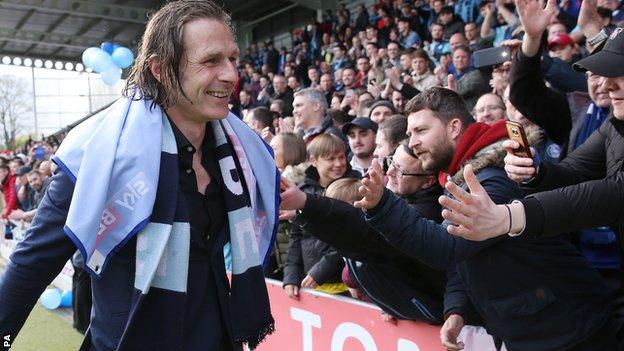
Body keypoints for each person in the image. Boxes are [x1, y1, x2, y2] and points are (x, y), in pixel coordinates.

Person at [0, 2, 279, 350]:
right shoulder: (100, 158)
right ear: (160, 69)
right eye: (211, 61)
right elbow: (31, 267)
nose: (231, 74)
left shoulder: (242, 153)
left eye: (232, 58)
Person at [355, 87, 614, 350]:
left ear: (454, 127)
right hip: (539, 330)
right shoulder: (461, 175)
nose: (412, 143)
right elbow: (465, 256)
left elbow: (446, 246)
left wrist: (382, 207)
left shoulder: (492, 178)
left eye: (421, 131)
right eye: (409, 134)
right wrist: (457, 309)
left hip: (571, 331)